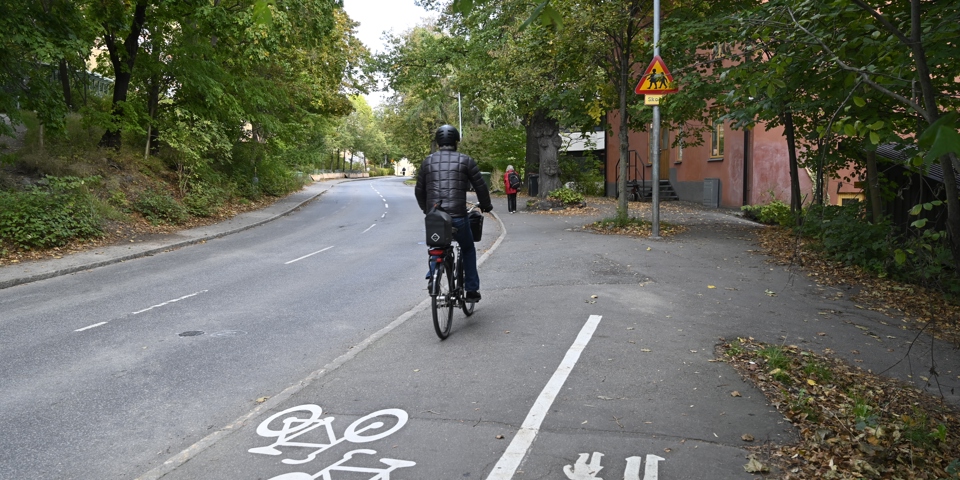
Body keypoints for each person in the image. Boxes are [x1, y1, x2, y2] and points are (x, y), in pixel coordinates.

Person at [415, 125, 493, 302]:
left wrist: (427, 210)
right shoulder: (465, 160)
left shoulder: (428, 162)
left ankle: (434, 272)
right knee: (467, 248)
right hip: (458, 216)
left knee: (437, 246)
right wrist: (486, 206)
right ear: (456, 141)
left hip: (435, 216)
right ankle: (471, 289)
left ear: (438, 142)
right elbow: (481, 186)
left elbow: (419, 191)